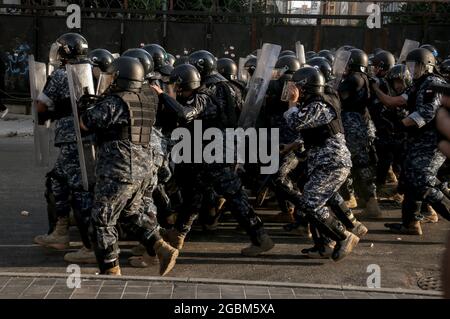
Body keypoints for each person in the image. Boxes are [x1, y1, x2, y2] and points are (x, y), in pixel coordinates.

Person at [152, 63, 275, 257]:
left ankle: (260, 237)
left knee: (234, 196)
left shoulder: (204, 95)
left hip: (214, 155)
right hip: (212, 152)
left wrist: (162, 95)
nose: (177, 90)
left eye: (178, 86)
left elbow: (185, 115)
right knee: (194, 194)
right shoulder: (221, 90)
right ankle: (178, 234)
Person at [80, 56, 178, 275]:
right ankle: (161, 247)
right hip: (143, 168)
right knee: (130, 213)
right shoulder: (149, 96)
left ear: (120, 78)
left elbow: (86, 122)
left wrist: (85, 107)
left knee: (102, 219)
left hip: (119, 169)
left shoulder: (116, 102)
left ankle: (110, 270)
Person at [283, 66, 360, 261]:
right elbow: (317, 134)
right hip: (323, 162)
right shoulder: (315, 103)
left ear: (305, 87)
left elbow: (296, 122)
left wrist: (291, 103)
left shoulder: (321, 104)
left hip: (332, 163)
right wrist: (292, 145)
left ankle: (344, 236)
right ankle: (324, 245)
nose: (294, 92)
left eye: (296, 88)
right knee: (313, 201)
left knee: (311, 203)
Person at [372, 48, 450, 235]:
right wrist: (375, 87)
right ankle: (410, 223)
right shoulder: (418, 84)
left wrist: (401, 125)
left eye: (416, 66)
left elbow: (426, 113)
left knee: (423, 180)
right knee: (409, 178)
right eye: (411, 66)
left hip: (434, 141)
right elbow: (396, 101)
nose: (412, 70)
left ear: (428, 66)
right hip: (420, 140)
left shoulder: (433, 84)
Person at [33, 33, 95, 265]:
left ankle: (89, 245)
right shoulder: (94, 69)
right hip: (95, 136)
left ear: (66, 52)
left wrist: (53, 111)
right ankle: (60, 231)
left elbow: (41, 106)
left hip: (72, 139)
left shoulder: (61, 74)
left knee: (79, 189)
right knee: (58, 180)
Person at [338, 48, 381, 217]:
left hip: (353, 127)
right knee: (362, 164)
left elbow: (338, 94)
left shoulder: (354, 78)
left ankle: (350, 198)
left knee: (347, 162)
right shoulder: (363, 78)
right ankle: (369, 202)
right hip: (360, 125)